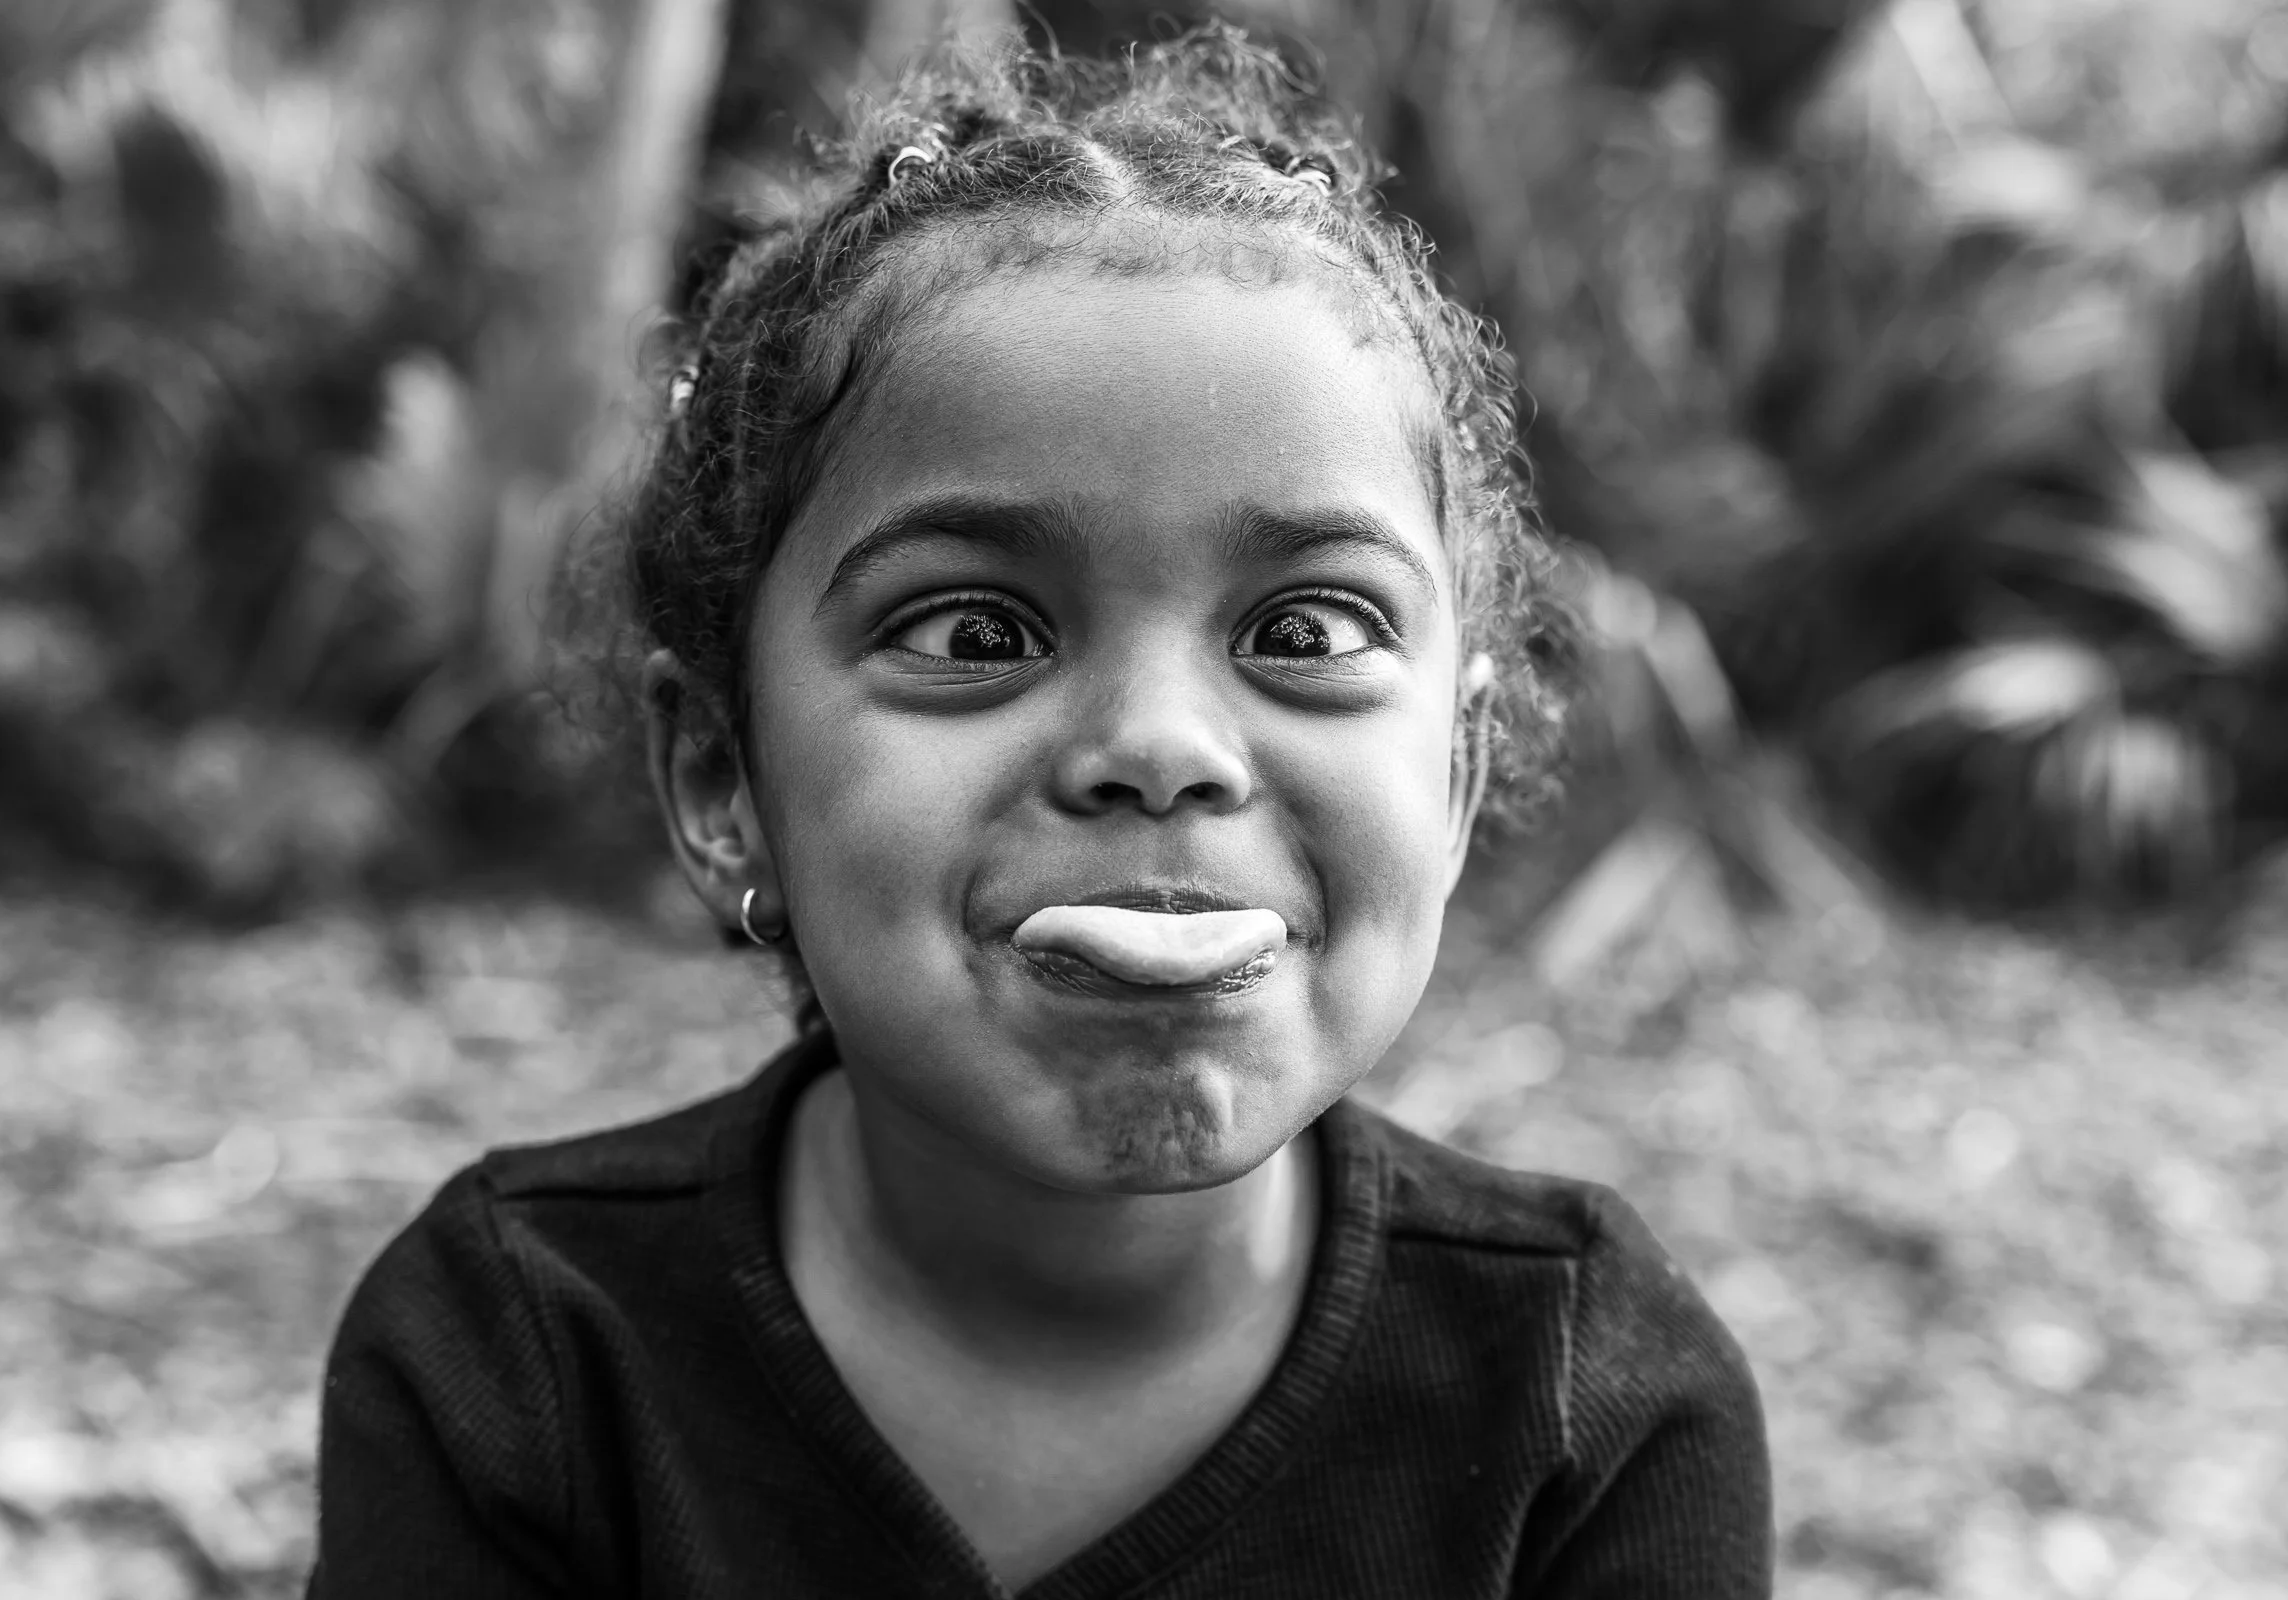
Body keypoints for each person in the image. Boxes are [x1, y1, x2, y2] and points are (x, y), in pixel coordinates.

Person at [308, 24, 1770, 1598]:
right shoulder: (520, 1361)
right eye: (975, 634)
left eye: (1304, 632)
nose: (1159, 747)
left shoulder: (1591, 1398)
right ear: (722, 779)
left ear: (1460, 774)